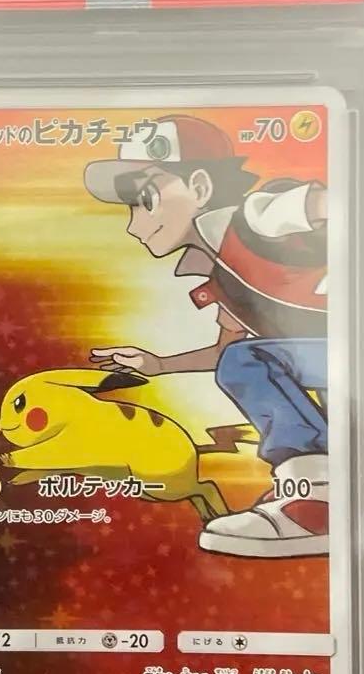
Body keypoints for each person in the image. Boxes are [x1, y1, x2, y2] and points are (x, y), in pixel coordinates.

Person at [83, 113, 330, 559]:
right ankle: (316, 496)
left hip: (362, 346)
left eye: (145, 199)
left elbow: (330, 204)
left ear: (198, 187)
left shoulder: (257, 217)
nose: (134, 224)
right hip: (339, 361)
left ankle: (313, 498)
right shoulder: (225, 279)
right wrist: (158, 365)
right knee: (245, 359)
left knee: (247, 361)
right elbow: (226, 352)